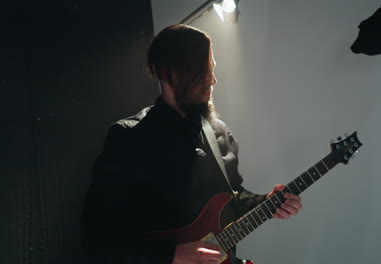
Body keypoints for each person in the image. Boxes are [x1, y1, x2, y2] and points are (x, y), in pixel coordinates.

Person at [81, 24, 303, 264]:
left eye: (212, 69)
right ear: (167, 73)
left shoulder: (219, 132)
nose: (212, 80)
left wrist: (267, 202)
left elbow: (232, 199)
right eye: (202, 71)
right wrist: (170, 255)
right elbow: (97, 236)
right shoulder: (128, 137)